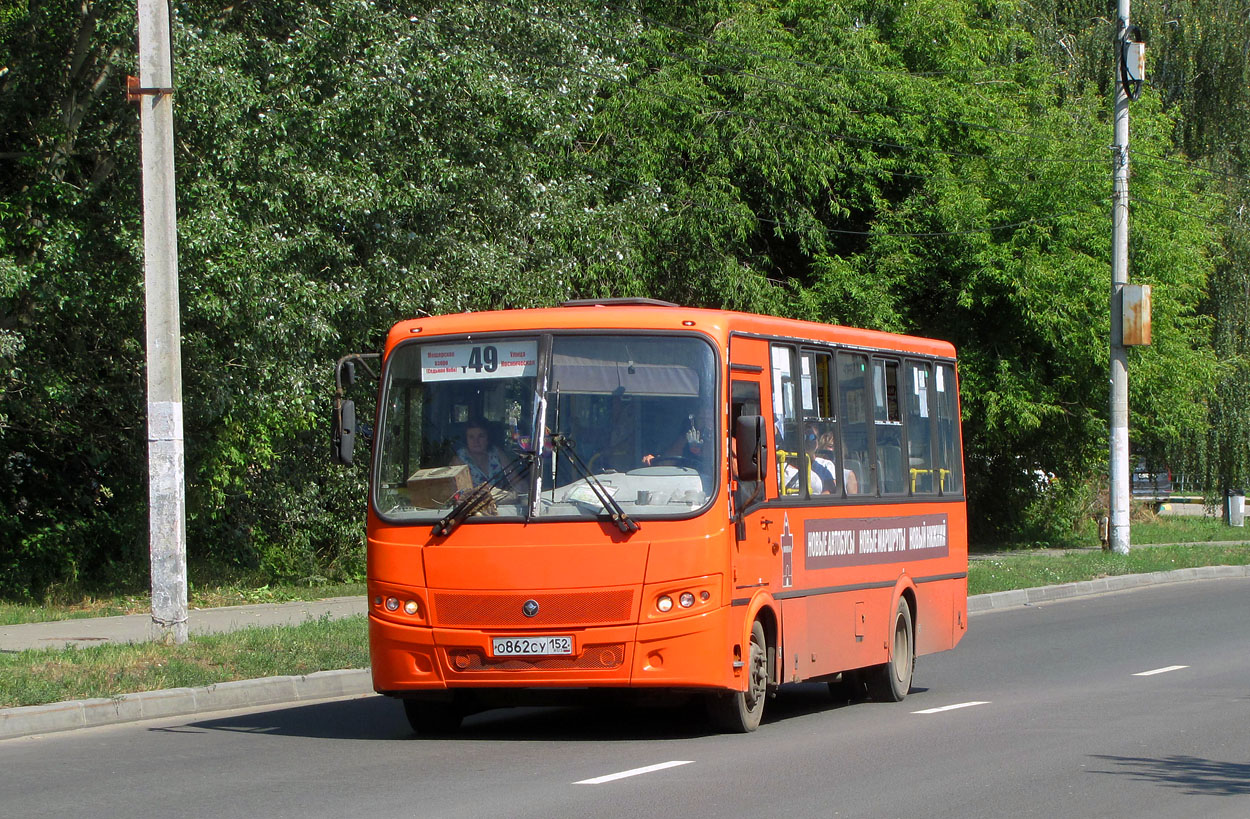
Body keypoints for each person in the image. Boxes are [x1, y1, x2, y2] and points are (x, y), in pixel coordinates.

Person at [451, 418, 516, 487]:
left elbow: (516, 480)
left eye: (481, 436)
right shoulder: (459, 460)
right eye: (471, 437)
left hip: (502, 497)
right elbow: (463, 492)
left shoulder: (496, 453)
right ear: (466, 440)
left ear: (488, 438)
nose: (476, 441)